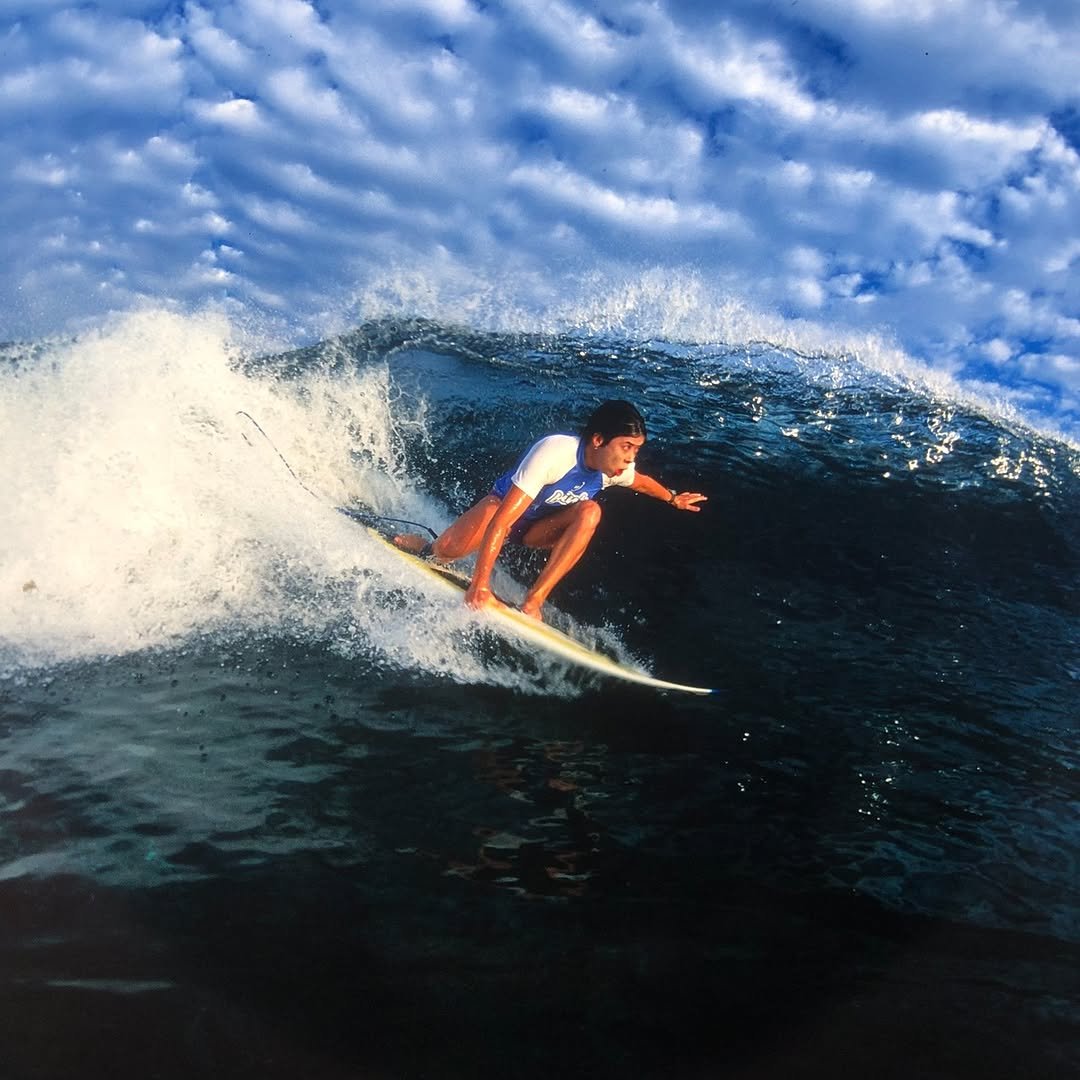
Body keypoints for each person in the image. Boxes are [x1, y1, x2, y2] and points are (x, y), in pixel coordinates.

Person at [394, 400, 706, 621]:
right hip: (502, 518)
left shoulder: (614, 469)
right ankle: (426, 547)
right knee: (447, 550)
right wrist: (480, 586)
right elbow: (502, 521)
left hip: (535, 531)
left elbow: (641, 483)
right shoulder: (556, 452)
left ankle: (534, 601)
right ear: (598, 440)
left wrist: (672, 498)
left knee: (591, 512)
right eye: (626, 446)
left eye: (636, 449)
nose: (631, 457)